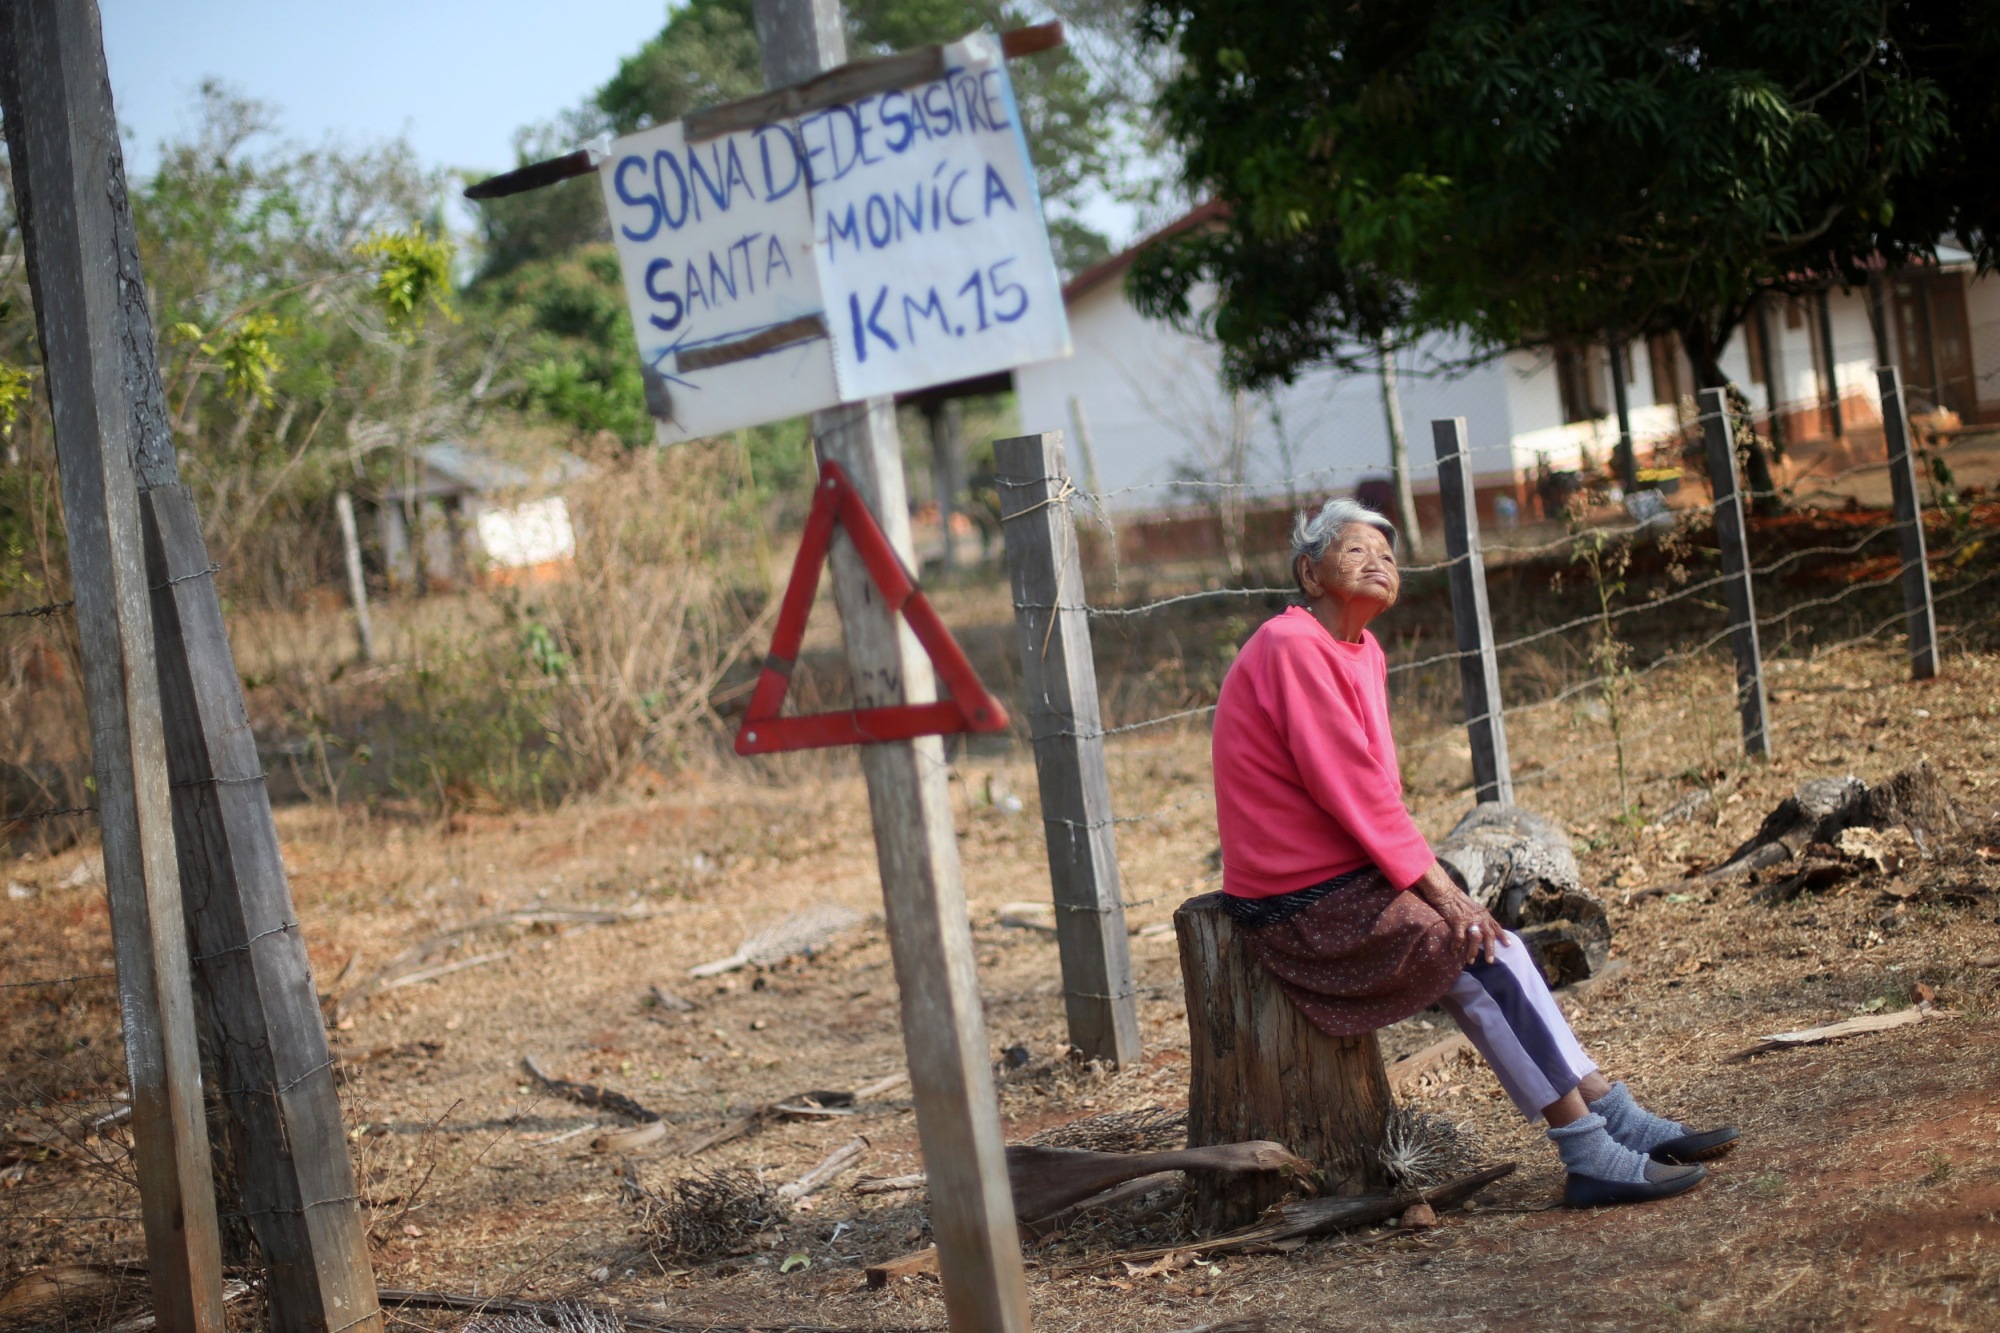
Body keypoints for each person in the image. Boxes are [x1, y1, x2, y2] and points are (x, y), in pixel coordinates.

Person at [1209, 497, 1737, 1207]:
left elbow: (1374, 790)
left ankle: (1614, 1113)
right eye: (1356, 550)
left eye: (1389, 555)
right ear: (1309, 572)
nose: (1379, 563)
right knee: (1468, 947)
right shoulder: (1291, 644)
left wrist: (1435, 889)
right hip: (1296, 902)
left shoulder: (1361, 651)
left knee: (1501, 945)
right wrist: (1442, 893)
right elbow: (1355, 790)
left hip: (1345, 878)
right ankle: (1587, 1151)